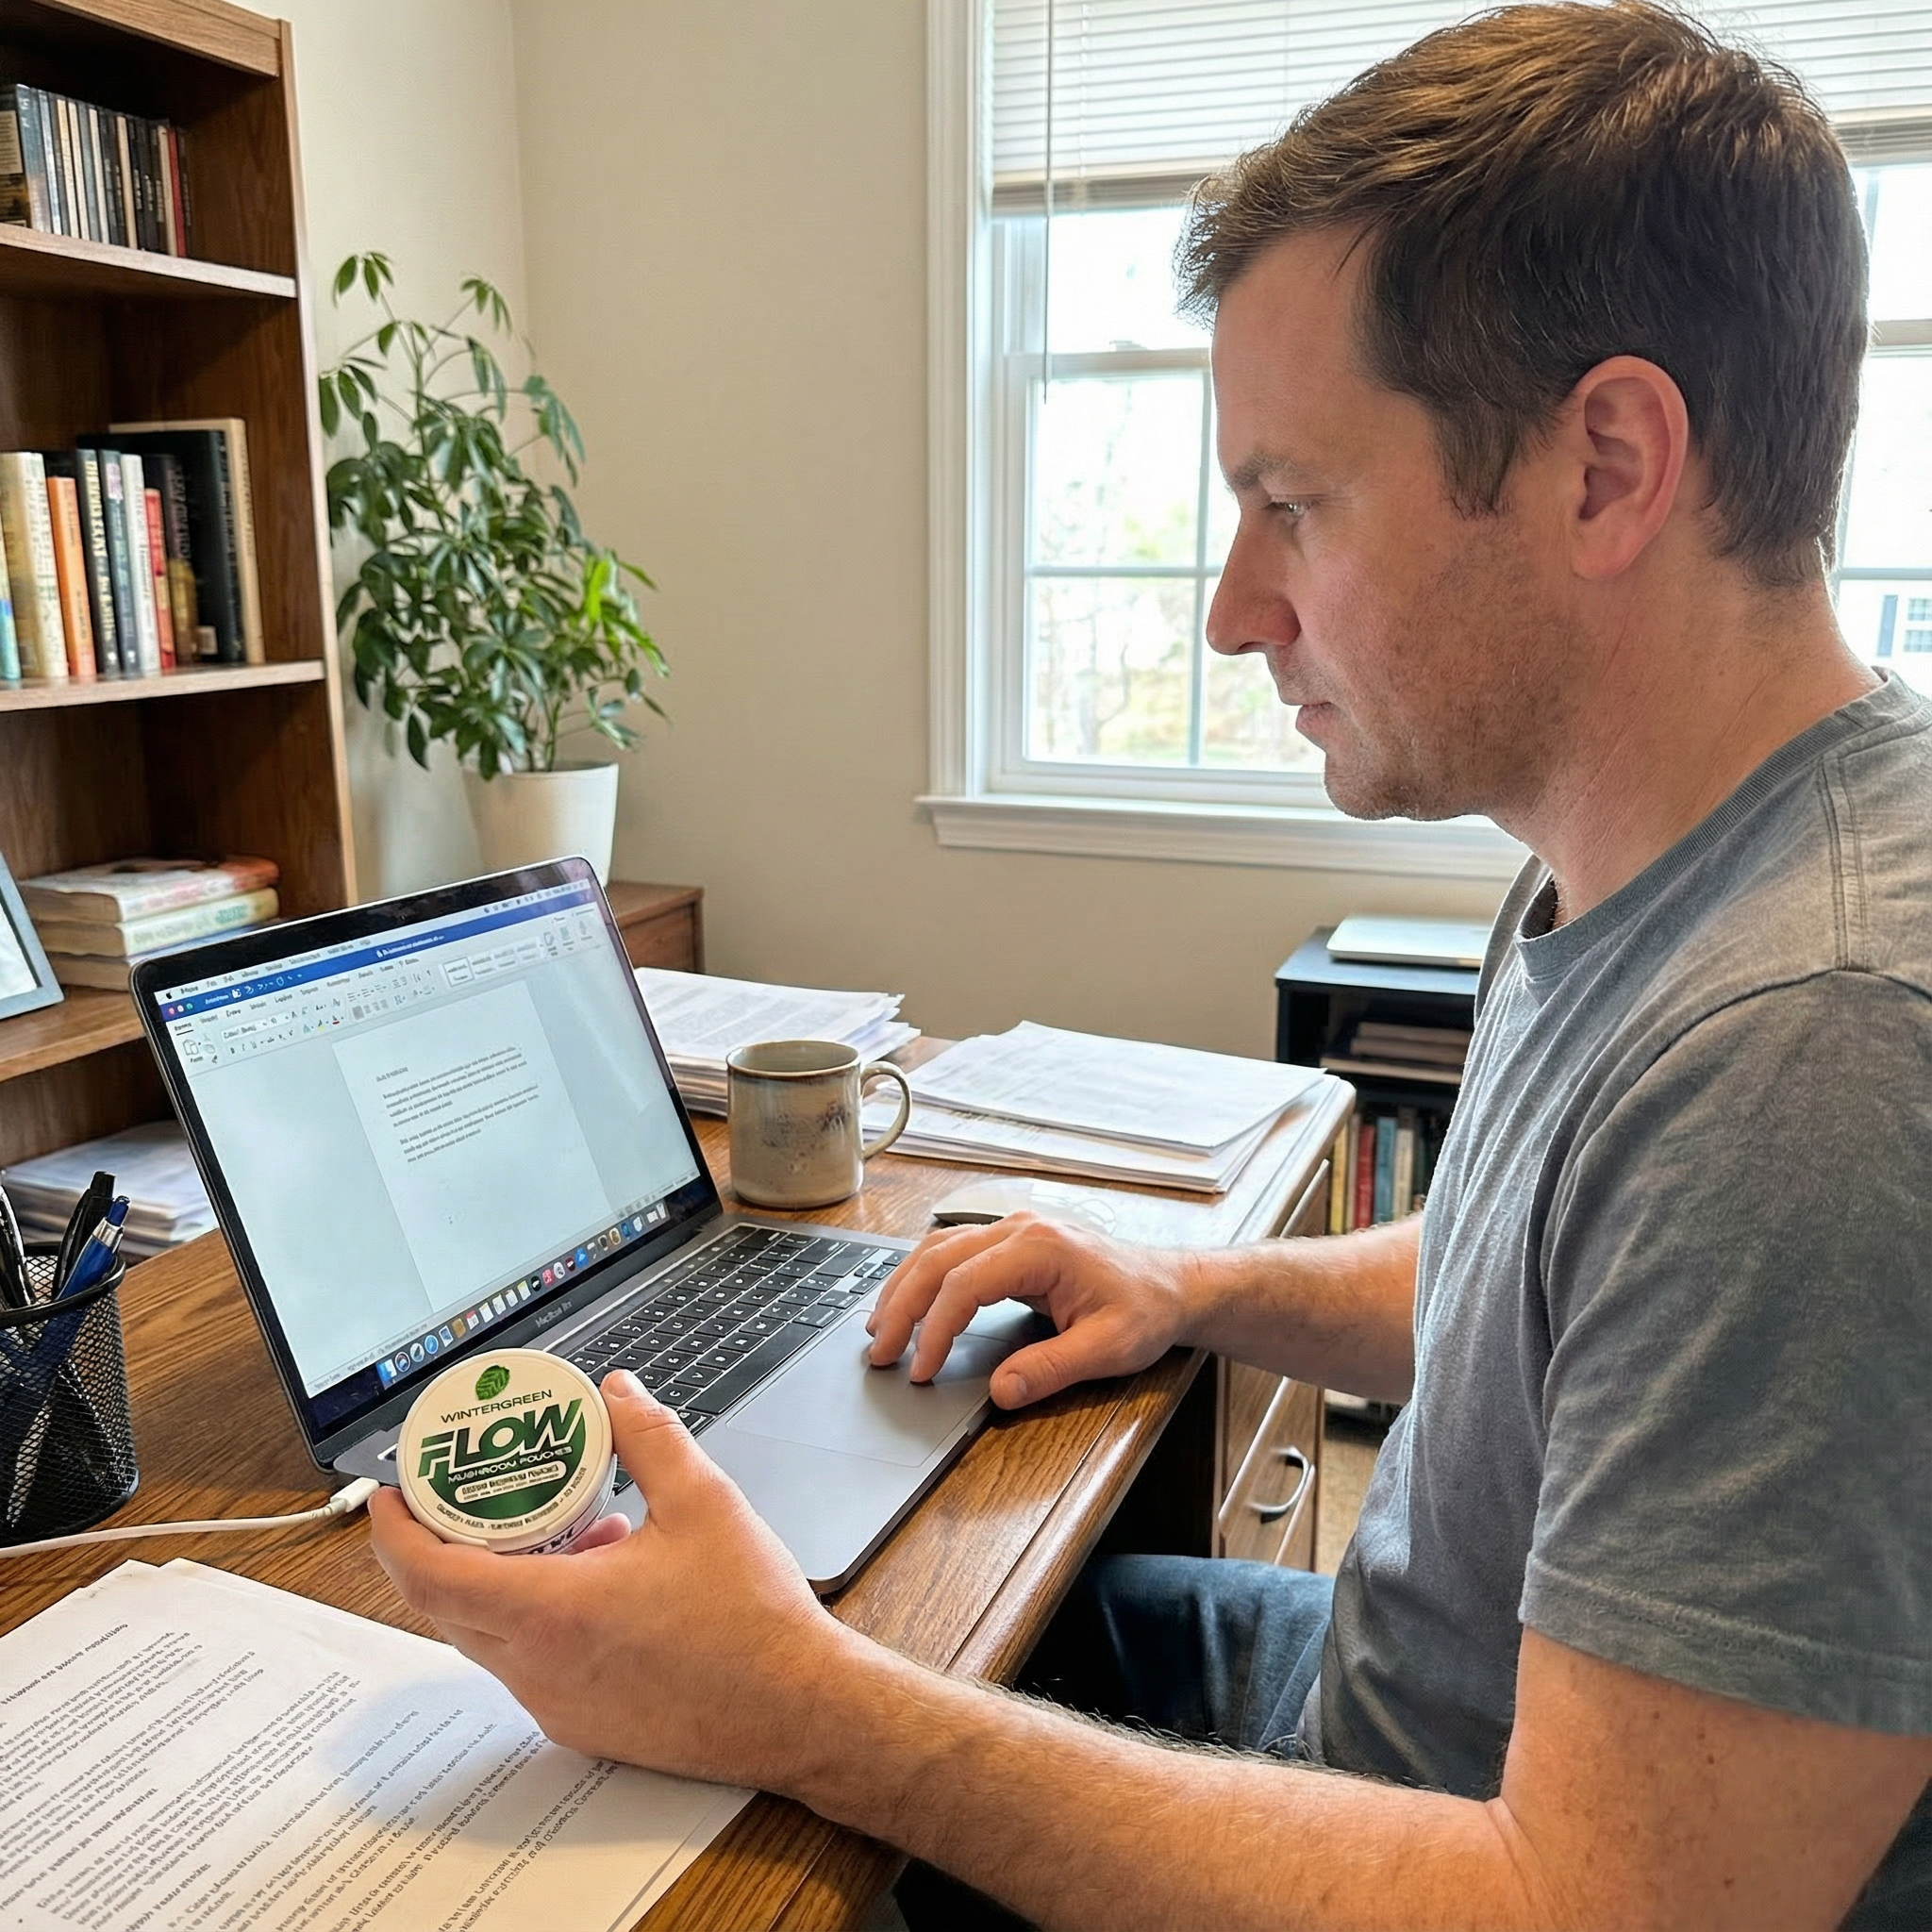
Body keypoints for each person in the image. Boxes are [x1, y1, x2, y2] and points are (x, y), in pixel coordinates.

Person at [370, 4, 1932, 1925]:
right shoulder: (1650, 852)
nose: (1228, 609)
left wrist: (803, 1707)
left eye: (1294, 501)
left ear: (1605, 465)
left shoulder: (1819, 1049)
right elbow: (1547, 1280)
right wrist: (1186, 1281)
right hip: (1395, 1726)